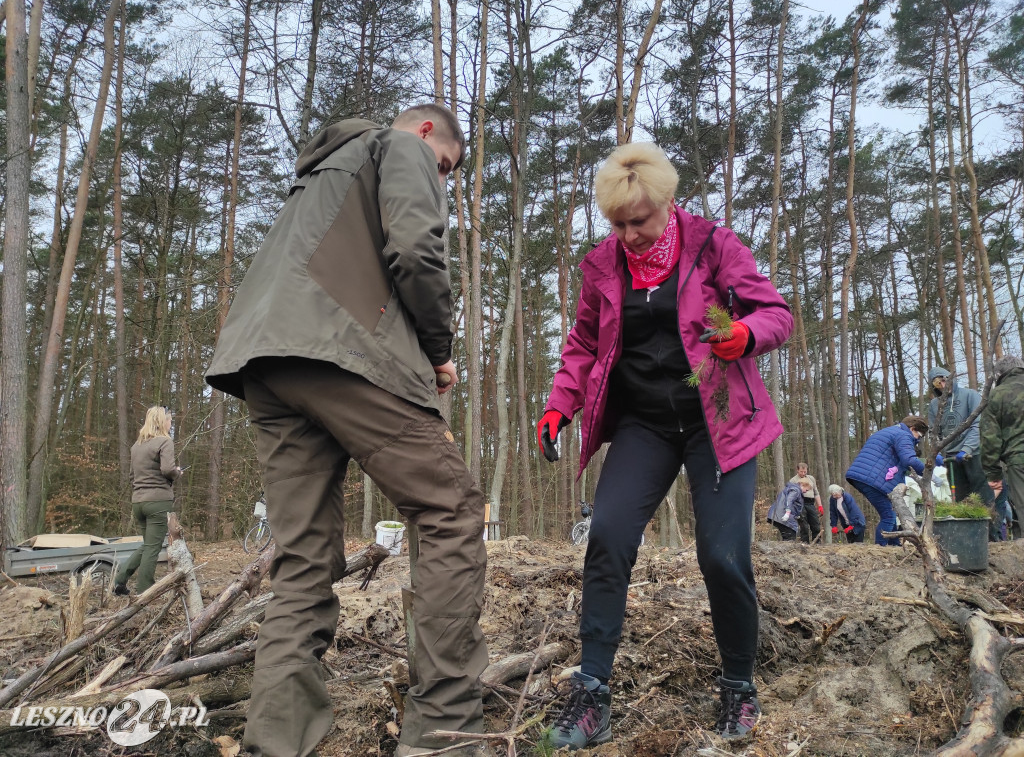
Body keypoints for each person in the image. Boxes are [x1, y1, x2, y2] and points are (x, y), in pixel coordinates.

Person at [205, 104, 489, 757]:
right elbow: (417, 250)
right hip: (340, 349)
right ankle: (443, 732)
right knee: (449, 507)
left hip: (264, 363)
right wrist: (438, 348)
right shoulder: (403, 147)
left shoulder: (319, 174)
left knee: (302, 557)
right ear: (427, 135)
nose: (441, 179)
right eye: (444, 166)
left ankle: (277, 741)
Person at [536, 143, 793, 748]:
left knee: (722, 555)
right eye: (617, 224)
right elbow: (581, 342)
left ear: (667, 204)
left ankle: (738, 686)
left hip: (718, 420)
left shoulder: (712, 245)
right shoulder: (602, 265)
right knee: (607, 538)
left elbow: (774, 312)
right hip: (643, 425)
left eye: (639, 221)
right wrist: (558, 405)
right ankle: (592, 691)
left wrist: (746, 334)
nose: (628, 234)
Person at [112, 406, 181, 596]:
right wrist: (177, 473)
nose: (170, 423)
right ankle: (145, 591)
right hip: (158, 501)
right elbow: (168, 469)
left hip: (138, 503)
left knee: (147, 544)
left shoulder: (137, 446)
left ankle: (119, 580)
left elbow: (131, 476)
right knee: (153, 547)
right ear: (162, 422)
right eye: (169, 420)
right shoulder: (165, 442)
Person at [845, 416, 928, 546]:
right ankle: (880, 549)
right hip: (872, 479)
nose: (918, 439)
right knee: (888, 517)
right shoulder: (903, 435)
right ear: (912, 429)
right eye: (919, 435)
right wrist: (929, 470)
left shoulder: (889, 431)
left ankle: (895, 546)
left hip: (863, 476)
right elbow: (909, 460)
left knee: (891, 513)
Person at [927, 366, 995, 510]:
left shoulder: (970, 395)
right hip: (952, 458)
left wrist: (967, 449)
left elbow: (978, 424)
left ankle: (991, 531)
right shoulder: (934, 405)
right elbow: (934, 432)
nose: (943, 385)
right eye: (938, 383)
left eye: (945, 380)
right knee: (961, 500)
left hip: (974, 454)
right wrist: (936, 453)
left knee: (983, 497)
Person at [980, 355, 1024, 536]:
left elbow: (990, 439)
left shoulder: (997, 395)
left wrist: (993, 473)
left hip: (1019, 459)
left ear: (999, 374)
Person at [789, 462, 824, 543]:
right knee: (804, 525)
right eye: (801, 471)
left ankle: (817, 542)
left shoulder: (811, 479)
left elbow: (816, 493)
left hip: (811, 503)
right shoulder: (793, 480)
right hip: (800, 503)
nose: (803, 473)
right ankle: (805, 543)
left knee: (815, 524)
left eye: (805, 471)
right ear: (797, 470)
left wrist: (820, 506)